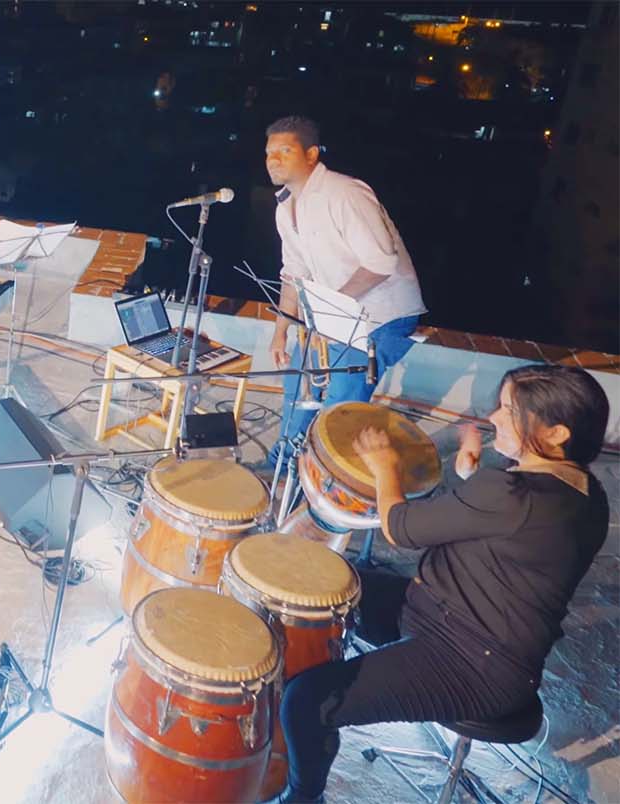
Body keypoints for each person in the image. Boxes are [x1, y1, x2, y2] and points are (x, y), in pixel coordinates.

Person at [271, 364, 611, 803]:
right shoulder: (588, 494)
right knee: (325, 587)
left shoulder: (509, 494)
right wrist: (472, 478)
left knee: (306, 701)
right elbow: (517, 528)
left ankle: (302, 796)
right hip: (453, 619)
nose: (494, 418)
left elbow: (401, 526)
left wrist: (384, 466)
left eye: (509, 410)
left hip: (474, 666)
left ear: (557, 433)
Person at [264, 116, 425, 461]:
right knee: (297, 386)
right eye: (268, 153)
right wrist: (281, 331)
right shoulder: (285, 208)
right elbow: (293, 273)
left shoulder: (345, 193)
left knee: (338, 409)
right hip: (334, 315)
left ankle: (321, 482)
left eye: (284, 150)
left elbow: (382, 262)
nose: (273, 159)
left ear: (311, 155)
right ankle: (281, 467)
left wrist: (330, 305)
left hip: (380, 316)